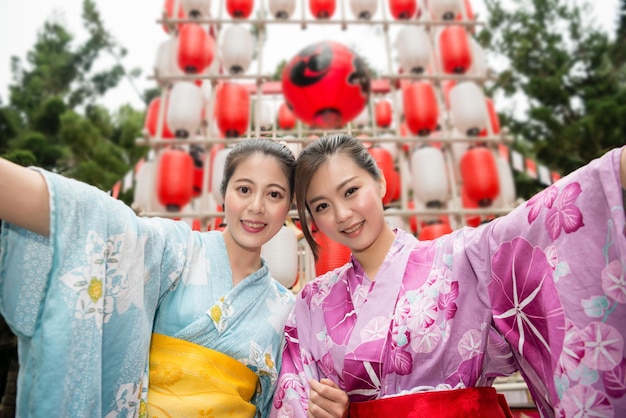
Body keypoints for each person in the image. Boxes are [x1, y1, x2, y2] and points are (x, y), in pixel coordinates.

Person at [270, 133, 626, 418]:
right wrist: (332, 410)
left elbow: (536, 225)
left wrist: (611, 173)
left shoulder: (462, 257)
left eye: (351, 191)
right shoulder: (313, 301)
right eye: (322, 206)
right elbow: (296, 395)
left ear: (379, 183)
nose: (343, 213)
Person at [0, 138, 297, 417]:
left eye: (274, 194)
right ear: (224, 192)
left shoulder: (287, 308)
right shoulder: (178, 249)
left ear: (289, 206)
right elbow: (109, 224)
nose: (256, 206)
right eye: (244, 189)